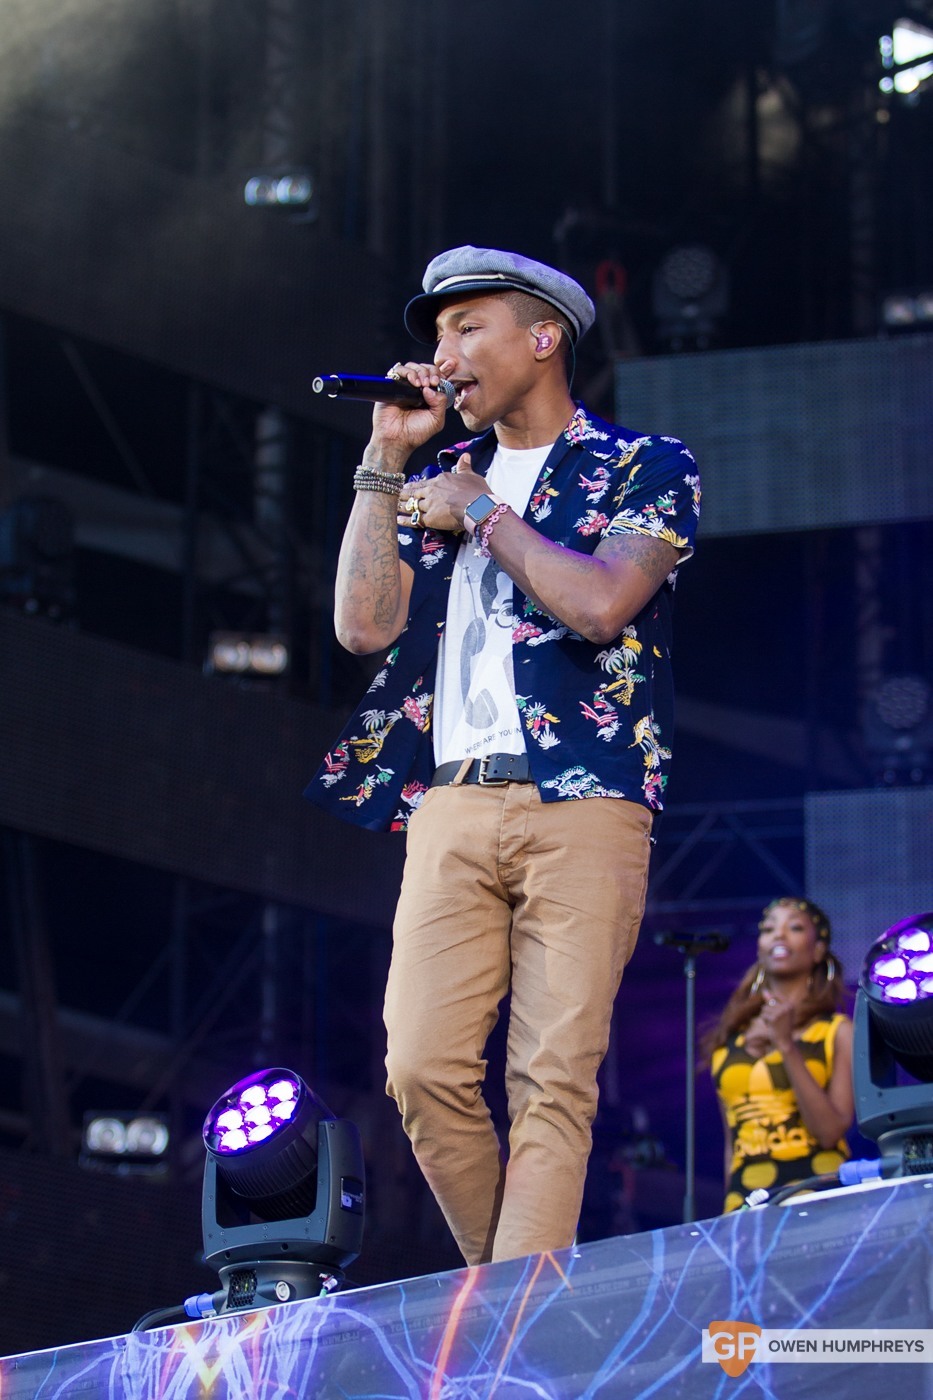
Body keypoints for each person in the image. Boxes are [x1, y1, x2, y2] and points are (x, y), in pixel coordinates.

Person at [306, 245, 700, 1264]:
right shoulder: (429, 479)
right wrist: (386, 459)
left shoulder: (645, 465)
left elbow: (602, 604)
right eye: (435, 333)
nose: (443, 352)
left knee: (551, 1081)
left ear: (542, 336)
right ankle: (523, 1310)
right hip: (451, 803)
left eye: (465, 326)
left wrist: (483, 511)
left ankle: (509, 1340)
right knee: (422, 1065)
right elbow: (360, 626)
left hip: (587, 801)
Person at [702, 896, 854, 1212]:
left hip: (818, 1190)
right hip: (747, 1199)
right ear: (759, 947)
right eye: (769, 929)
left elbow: (829, 1133)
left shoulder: (836, 1031)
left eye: (794, 928)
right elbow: (733, 1141)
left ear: (817, 950)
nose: (779, 936)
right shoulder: (729, 1040)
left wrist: (785, 1044)